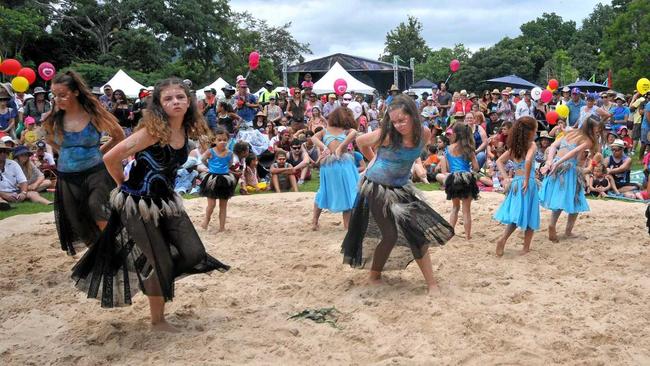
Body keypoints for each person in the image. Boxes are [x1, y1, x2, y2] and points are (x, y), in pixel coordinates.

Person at [71, 77, 229, 330]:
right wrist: (122, 184)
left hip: (166, 201)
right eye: (168, 98)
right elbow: (111, 156)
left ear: (189, 102)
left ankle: (153, 275)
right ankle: (158, 318)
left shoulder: (184, 130)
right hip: (138, 204)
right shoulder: (153, 131)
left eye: (180, 97)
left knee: (193, 253)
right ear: (158, 104)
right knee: (162, 261)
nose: (175, 101)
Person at [341, 95, 454, 294]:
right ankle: (374, 274)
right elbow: (360, 141)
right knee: (390, 235)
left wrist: (416, 166)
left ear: (414, 116)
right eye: (394, 121)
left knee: (417, 234)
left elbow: (413, 155)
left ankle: (432, 283)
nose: (398, 125)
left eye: (402, 120)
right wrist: (374, 159)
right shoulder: (386, 134)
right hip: (377, 187)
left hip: (402, 188)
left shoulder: (425, 133)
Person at [42, 71, 125, 255]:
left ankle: (113, 250)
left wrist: (99, 153)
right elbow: (48, 139)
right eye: (54, 95)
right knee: (77, 221)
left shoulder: (94, 114)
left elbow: (118, 136)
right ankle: (100, 254)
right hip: (67, 177)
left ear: (76, 92)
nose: (58, 99)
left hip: (95, 172)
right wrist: (65, 153)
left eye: (63, 95)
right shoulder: (53, 118)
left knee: (97, 208)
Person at [539, 114, 602, 242]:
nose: (598, 130)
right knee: (575, 198)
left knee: (563, 198)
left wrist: (550, 162)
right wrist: (555, 163)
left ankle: (555, 225)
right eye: (597, 128)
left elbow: (553, 146)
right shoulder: (587, 139)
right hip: (568, 168)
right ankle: (565, 230)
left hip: (557, 165)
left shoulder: (570, 132)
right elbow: (572, 153)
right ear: (591, 127)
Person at [493, 116, 539, 256]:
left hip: (516, 183)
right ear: (530, 131)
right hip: (527, 183)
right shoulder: (532, 145)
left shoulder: (515, 147)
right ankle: (525, 248)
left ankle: (503, 239)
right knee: (531, 215)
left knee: (516, 215)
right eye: (535, 129)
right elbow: (528, 161)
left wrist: (507, 178)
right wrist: (526, 180)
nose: (536, 132)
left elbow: (499, 161)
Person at [311, 107, 360, 230]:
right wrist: (325, 147)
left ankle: (315, 222)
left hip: (335, 165)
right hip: (338, 164)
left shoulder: (343, 131)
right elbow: (313, 138)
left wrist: (334, 147)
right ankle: (346, 225)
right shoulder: (327, 130)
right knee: (348, 192)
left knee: (325, 191)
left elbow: (354, 132)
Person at [442, 123, 480, 239]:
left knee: (455, 208)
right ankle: (468, 236)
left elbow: (446, 168)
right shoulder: (468, 149)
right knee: (466, 210)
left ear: (455, 134)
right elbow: (476, 167)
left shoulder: (448, 148)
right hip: (466, 178)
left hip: (453, 178)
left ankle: (450, 233)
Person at [199, 127, 237, 231]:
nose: (222, 142)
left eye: (225, 140)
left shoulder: (229, 153)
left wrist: (225, 169)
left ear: (228, 140)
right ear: (214, 141)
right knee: (211, 205)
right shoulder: (210, 151)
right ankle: (206, 220)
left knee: (223, 205)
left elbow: (229, 164)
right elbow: (203, 159)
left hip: (224, 180)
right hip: (212, 179)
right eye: (219, 140)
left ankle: (222, 227)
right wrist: (209, 167)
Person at [0, 141, 50, 210]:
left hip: (15, 190)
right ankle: (4, 204)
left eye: (5, 151)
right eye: (0, 151)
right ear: (17, 156)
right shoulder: (16, 162)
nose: (3, 153)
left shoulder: (13, 164)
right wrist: (3, 194)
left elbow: (23, 181)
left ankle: (49, 203)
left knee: (33, 193)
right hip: (3, 191)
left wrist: (23, 193)